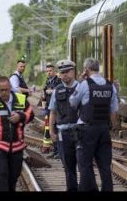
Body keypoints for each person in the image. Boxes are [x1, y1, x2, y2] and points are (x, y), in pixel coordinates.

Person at [69, 58, 118, 191]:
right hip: (103, 129)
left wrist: (80, 81)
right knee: (105, 166)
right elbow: (113, 111)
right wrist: (113, 127)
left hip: (86, 129)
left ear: (86, 69)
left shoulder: (84, 84)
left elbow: (72, 102)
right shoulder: (110, 85)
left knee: (84, 164)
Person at [48, 60, 79, 191]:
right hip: (63, 133)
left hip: (80, 132)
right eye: (62, 73)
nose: (65, 75)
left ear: (73, 71)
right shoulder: (57, 91)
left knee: (84, 165)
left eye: (67, 72)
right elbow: (53, 112)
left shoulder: (82, 88)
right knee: (68, 166)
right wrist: (51, 131)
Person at [41, 63, 62, 158]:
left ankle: (59, 151)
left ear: (54, 71)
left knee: (56, 129)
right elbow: (44, 95)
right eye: (47, 71)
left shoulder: (59, 81)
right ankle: (55, 149)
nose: (49, 73)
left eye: (50, 71)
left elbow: (62, 90)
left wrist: (52, 91)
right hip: (49, 108)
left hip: (57, 109)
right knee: (51, 129)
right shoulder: (47, 82)